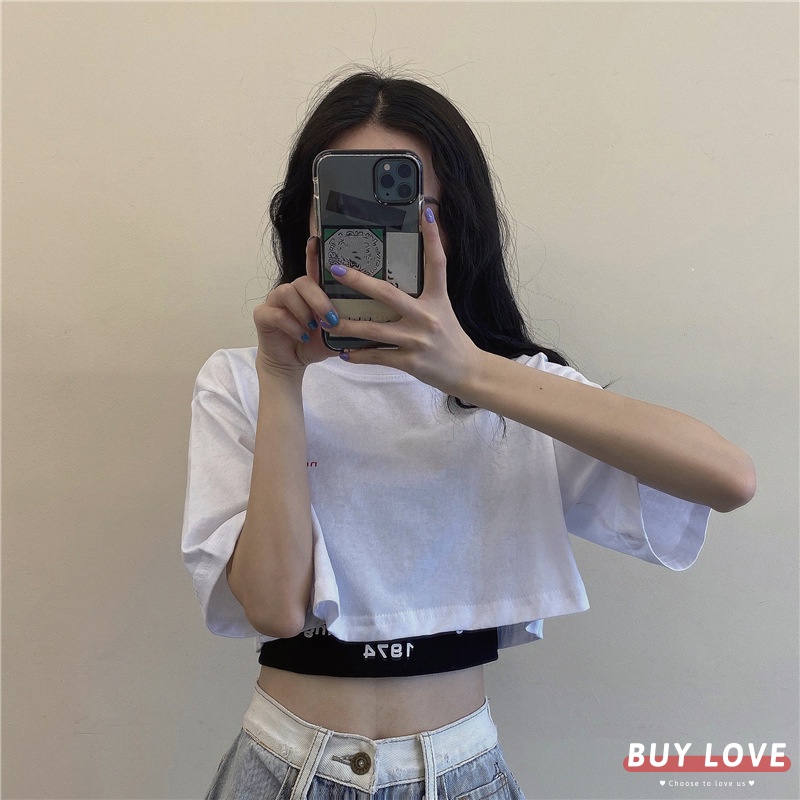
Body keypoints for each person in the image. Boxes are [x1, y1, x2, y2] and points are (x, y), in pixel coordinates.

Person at [181, 70, 756, 800]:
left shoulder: (513, 391)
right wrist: (283, 377)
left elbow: (728, 478)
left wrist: (472, 372)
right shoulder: (245, 378)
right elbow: (272, 609)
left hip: (459, 771)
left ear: (457, 225)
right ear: (311, 220)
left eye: (415, 209)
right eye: (348, 204)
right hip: (279, 764)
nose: (382, 236)